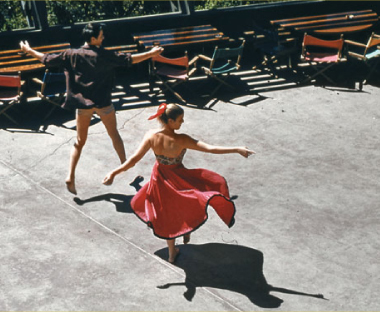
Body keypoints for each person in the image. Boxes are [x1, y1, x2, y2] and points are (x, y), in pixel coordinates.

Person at [19, 23, 164, 195]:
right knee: (114, 135)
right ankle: (125, 167)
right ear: (93, 38)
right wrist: (151, 54)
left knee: (79, 142)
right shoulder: (105, 55)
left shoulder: (71, 54)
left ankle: (70, 175)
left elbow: (47, 59)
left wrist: (29, 50)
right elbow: (130, 59)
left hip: (83, 105)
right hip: (103, 103)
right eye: (101, 35)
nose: (103, 38)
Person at [103, 103, 255, 263]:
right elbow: (210, 149)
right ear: (170, 120)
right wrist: (236, 149)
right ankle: (186, 231)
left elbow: (133, 160)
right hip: (179, 178)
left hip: (160, 179)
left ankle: (171, 253)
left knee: (167, 215)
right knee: (188, 201)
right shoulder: (182, 140)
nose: (182, 123)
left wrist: (114, 172)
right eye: (180, 120)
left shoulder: (151, 136)